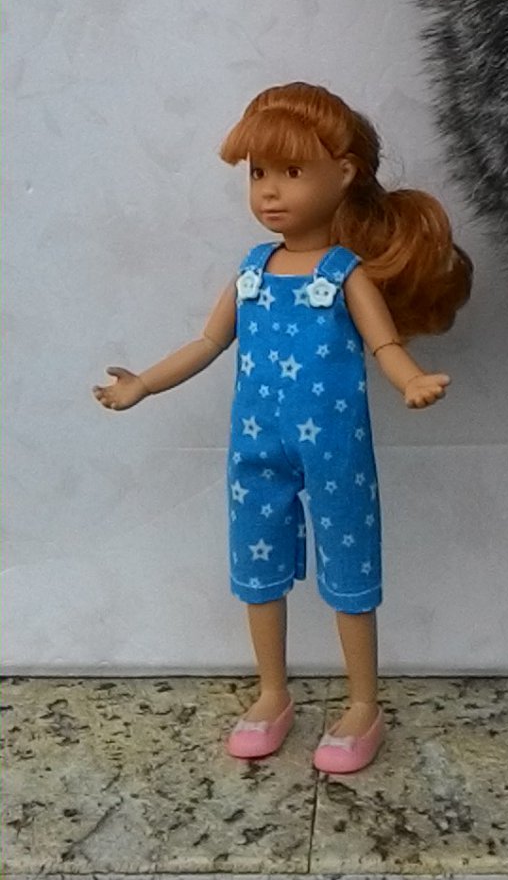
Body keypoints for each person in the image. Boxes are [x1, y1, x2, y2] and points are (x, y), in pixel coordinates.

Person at [93, 81, 472, 773]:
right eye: (258, 172)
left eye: (291, 171)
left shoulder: (345, 273)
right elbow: (208, 343)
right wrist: (143, 382)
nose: (268, 190)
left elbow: (384, 344)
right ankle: (272, 692)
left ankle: (363, 704)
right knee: (257, 570)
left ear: (345, 173)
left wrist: (410, 378)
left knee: (350, 570)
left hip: (335, 450)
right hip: (255, 450)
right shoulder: (252, 272)